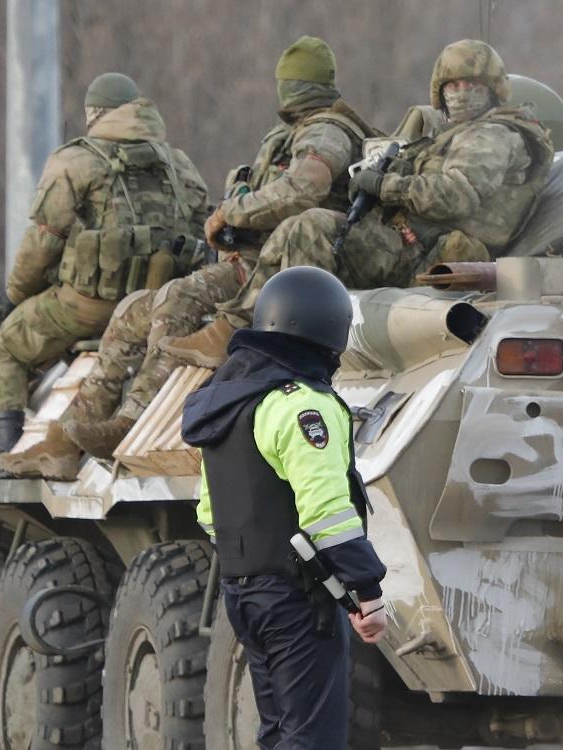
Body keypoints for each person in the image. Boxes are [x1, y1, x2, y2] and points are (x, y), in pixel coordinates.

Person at [29, 36, 378, 467]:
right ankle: (93, 429)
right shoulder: (287, 134)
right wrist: (236, 213)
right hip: (254, 260)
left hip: (290, 268)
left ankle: (140, 418)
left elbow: (306, 188)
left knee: (176, 300)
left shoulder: (327, 131)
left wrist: (235, 211)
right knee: (150, 305)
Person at [161, 38, 554, 368]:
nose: (461, 94)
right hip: (409, 240)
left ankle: (280, 351)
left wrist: (386, 184)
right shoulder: (457, 134)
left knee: (309, 227)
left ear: (493, 91)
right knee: (295, 230)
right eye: (452, 87)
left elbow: (457, 194)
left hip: (430, 253)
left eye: (472, 86)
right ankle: (236, 330)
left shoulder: (492, 136)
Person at [182, 266, 387, 749]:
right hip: (298, 600)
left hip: (244, 593)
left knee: (278, 733)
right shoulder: (300, 405)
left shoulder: (230, 402)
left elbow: (210, 512)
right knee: (311, 739)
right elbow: (327, 511)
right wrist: (366, 590)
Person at [0, 72, 209, 478]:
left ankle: (5, 454)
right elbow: (201, 226)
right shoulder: (177, 162)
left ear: (94, 113)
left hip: (91, 306)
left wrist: (14, 297)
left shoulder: (75, 160)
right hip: (161, 306)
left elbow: (42, 243)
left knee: (6, 346)